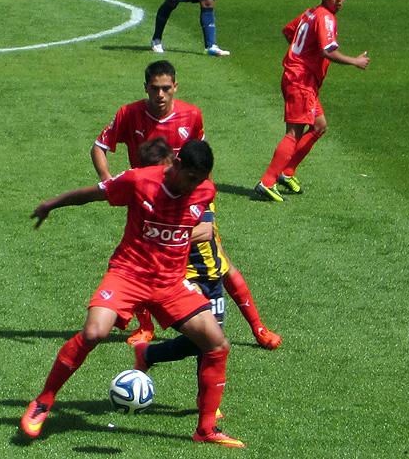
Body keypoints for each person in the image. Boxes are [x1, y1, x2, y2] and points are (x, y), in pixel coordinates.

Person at [19, 140, 245, 448]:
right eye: (191, 178)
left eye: (200, 180)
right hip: (128, 274)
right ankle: (43, 402)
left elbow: (201, 228)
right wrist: (51, 204)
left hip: (171, 283)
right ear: (177, 164)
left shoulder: (205, 190)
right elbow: (92, 194)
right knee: (94, 332)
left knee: (217, 344)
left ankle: (205, 429)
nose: (194, 186)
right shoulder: (139, 180)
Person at [92, 61, 279, 350]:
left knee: (218, 262)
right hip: (151, 206)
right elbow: (99, 147)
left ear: (175, 87)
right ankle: (145, 327)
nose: (161, 94)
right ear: (146, 88)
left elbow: (202, 159)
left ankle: (258, 327)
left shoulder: (191, 115)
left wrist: (205, 205)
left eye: (166, 88)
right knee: (141, 266)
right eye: (155, 88)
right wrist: (108, 182)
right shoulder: (129, 114)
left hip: (192, 203)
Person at [134, 138, 282, 365]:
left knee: (223, 268)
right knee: (208, 338)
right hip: (180, 272)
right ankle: (146, 333)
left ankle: (258, 327)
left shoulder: (197, 189)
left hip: (203, 259)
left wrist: (168, 235)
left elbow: (204, 230)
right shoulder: (150, 195)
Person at [255, 0, 371, 202]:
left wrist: (301, 53)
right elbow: (327, 51)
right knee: (294, 133)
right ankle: (266, 182)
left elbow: (288, 31)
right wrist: (354, 61)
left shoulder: (311, 13)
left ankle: (287, 172)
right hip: (301, 81)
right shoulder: (325, 17)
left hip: (298, 78)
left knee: (319, 126)